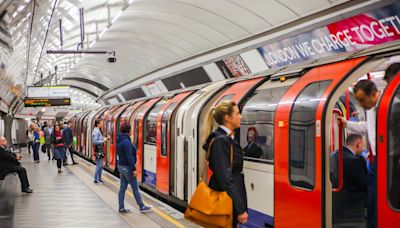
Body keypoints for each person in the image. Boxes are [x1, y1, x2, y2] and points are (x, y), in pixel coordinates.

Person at [338, 79, 381, 228]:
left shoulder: (389, 107)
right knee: (372, 201)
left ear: (374, 94)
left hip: (386, 161)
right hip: (375, 161)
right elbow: (368, 127)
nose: (361, 104)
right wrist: (348, 124)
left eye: (362, 100)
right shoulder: (370, 109)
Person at [202, 100, 248, 226]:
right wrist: (240, 208)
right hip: (225, 201)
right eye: (238, 114)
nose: (241, 117)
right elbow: (225, 178)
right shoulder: (221, 141)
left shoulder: (226, 139)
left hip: (227, 200)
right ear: (228, 118)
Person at [330, 134, 367, 225]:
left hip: (339, 200)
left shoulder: (335, 154)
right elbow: (364, 184)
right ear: (358, 144)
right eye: (363, 146)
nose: (363, 149)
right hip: (351, 202)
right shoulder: (354, 161)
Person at [117, 123, 152, 213]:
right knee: (135, 187)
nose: (132, 131)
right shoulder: (126, 142)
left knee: (122, 188)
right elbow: (129, 157)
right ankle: (141, 206)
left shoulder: (120, 140)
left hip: (121, 166)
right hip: (127, 167)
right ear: (129, 131)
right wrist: (134, 169)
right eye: (131, 130)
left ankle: (121, 207)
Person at [92, 119, 106, 183]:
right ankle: (96, 179)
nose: (102, 124)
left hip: (100, 149)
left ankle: (99, 178)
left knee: (100, 165)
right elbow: (95, 141)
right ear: (98, 124)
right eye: (101, 123)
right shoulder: (96, 131)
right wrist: (103, 140)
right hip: (99, 149)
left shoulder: (98, 130)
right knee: (99, 165)